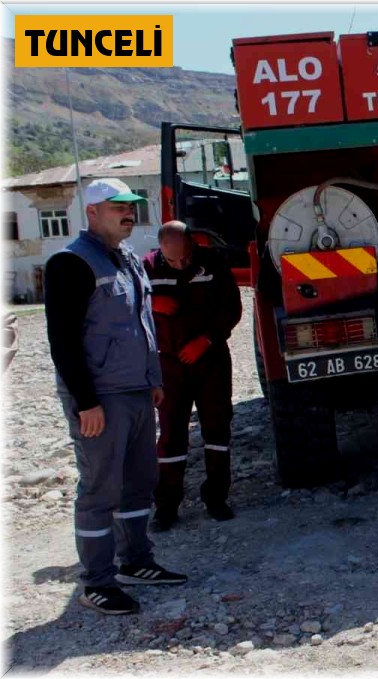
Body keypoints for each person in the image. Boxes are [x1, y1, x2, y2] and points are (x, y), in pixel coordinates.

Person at [44, 178, 188, 616]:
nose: (129, 212)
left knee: (139, 482)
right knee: (99, 490)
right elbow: (63, 341)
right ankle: (97, 582)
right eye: (118, 206)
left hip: (137, 391)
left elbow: (140, 324)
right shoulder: (71, 263)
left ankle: (136, 562)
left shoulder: (127, 258)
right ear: (92, 212)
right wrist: (85, 401)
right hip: (101, 398)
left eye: (131, 205)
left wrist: (153, 378)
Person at [143, 221, 243, 530]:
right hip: (170, 365)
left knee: (216, 428)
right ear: (160, 250)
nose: (181, 264)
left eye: (185, 257)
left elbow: (232, 308)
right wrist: (152, 302)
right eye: (172, 261)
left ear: (192, 244)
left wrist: (207, 339)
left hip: (210, 359)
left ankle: (216, 498)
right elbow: (127, 308)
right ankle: (167, 507)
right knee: (171, 434)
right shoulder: (145, 268)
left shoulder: (212, 262)